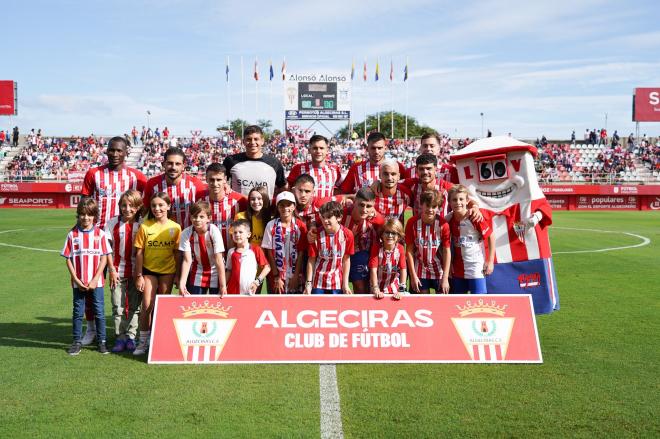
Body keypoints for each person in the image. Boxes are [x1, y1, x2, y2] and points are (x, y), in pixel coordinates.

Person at [78, 137, 147, 345]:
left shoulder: (136, 177)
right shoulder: (94, 174)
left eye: (118, 151)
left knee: (129, 290)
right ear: (106, 151)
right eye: (111, 150)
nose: (114, 154)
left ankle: (130, 333)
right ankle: (91, 329)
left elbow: (147, 202)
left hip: (126, 241)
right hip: (95, 240)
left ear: (126, 152)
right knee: (91, 285)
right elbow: (84, 204)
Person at [61, 198, 112, 356]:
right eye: (82, 214)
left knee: (99, 311)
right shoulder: (72, 235)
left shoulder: (100, 234)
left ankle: (102, 341)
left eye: (89, 215)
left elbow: (104, 257)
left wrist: (96, 278)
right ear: (78, 215)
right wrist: (75, 278)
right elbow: (68, 258)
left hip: (96, 282)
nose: (85, 218)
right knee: (78, 312)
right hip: (79, 282)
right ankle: (77, 341)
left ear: (94, 216)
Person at [133, 192, 181, 356]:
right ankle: (143, 341)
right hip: (149, 271)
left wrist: (177, 275)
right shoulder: (145, 226)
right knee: (147, 305)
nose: (157, 208)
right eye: (154, 205)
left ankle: (159, 339)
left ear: (168, 206)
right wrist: (139, 275)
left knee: (163, 306)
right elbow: (139, 253)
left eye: (161, 205)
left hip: (168, 271)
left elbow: (177, 254)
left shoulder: (175, 227)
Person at [105, 190, 143, 353]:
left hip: (136, 272)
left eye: (132, 206)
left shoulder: (142, 224)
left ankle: (131, 336)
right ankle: (120, 337)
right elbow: (107, 250)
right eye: (124, 205)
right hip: (117, 272)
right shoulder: (112, 223)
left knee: (135, 307)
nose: (127, 209)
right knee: (117, 307)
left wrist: (140, 274)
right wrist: (112, 270)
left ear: (138, 207)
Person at [445, 185, 495, 294]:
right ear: (449, 202)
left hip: (476, 267)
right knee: (458, 304)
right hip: (457, 269)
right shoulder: (448, 219)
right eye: (454, 199)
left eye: (461, 199)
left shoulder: (475, 217)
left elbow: (491, 236)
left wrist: (490, 261)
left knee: (479, 301)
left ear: (467, 201)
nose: (458, 202)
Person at [143, 147, 205, 229]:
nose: (173, 167)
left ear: (184, 166)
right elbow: (145, 210)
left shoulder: (195, 184)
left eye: (178, 164)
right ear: (163, 164)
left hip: (188, 238)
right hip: (162, 238)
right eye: (170, 163)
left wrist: (225, 187)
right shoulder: (152, 184)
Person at [405, 190, 451, 294]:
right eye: (427, 206)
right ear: (421, 205)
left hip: (439, 269)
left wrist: (445, 277)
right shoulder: (412, 222)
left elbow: (446, 251)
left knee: (441, 302)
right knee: (422, 302)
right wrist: (413, 276)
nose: (430, 210)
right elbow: (409, 251)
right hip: (420, 269)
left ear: (438, 208)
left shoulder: (443, 224)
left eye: (434, 207)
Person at [262, 191, 308, 294]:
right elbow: (269, 252)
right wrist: (276, 276)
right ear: (277, 207)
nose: (285, 208)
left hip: (296, 274)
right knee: (275, 304)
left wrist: (296, 276)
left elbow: (301, 253)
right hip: (276, 275)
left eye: (288, 205)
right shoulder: (271, 225)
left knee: (295, 305)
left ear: (294, 206)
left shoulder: (300, 226)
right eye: (282, 205)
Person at [223, 125, 286, 199]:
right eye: (249, 139)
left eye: (256, 139)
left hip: (265, 210)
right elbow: (221, 182)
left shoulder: (274, 163)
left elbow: (283, 188)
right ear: (243, 141)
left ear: (262, 141)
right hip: (237, 209)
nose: (252, 142)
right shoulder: (230, 160)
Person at [304, 201, 354, 295]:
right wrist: (308, 284)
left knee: (336, 308)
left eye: (328, 217)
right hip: (318, 280)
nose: (325, 220)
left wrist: (345, 284)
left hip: (337, 281)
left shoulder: (347, 234)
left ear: (339, 217)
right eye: (323, 217)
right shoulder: (316, 234)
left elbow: (346, 260)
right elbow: (311, 260)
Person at [178, 200, 227, 296]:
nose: (197, 220)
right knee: (195, 304)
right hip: (198, 271)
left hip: (216, 270)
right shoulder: (186, 233)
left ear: (209, 218)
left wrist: (223, 285)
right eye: (194, 216)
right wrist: (182, 283)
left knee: (217, 304)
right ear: (190, 217)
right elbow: (187, 260)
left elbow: (218, 260)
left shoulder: (214, 230)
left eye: (201, 217)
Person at [343, 188, 385, 294]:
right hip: (339, 255)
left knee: (361, 287)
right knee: (338, 287)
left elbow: (384, 232)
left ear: (374, 206)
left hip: (360, 254)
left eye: (369, 206)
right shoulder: (342, 213)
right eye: (361, 205)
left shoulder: (377, 219)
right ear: (355, 202)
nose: (365, 209)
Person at [339, 131, 406, 194]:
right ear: (367, 149)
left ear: (385, 148)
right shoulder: (356, 168)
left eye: (379, 148)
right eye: (373, 148)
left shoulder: (397, 166)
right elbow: (344, 192)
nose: (376, 152)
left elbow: (406, 190)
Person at [203, 163, 247, 250]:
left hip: (233, 252)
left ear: (225, 180)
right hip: (209, 253)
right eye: (211, 180)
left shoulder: (239, 200)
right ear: (206, 179)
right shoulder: (201, 201)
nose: (215, 184)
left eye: (218, 180)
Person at [225, 219, 270, 295]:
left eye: (240, 232)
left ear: (248, 234)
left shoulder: (255, 249)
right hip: (231, 292)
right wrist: (223, 286)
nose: (237, 235)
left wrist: (257, 282)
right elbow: (229, 271)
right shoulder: (231, 252)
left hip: (248, 292)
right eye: (235, 232)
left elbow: (267, 267)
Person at [368, 218, 407, 300]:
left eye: (393, 233)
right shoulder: (376, 248)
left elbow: (403, 270)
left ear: (399, 236)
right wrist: (375, 288)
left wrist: (401, 290)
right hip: (377, 286)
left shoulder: (400, 249)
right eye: (387, 232)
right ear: (382, 234)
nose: (390, 236)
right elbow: (373, 270)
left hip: (394, 287)